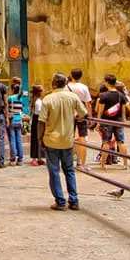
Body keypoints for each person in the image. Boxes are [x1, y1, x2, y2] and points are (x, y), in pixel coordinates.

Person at [39, 72, 87, 210]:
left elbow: (41, 121)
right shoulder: (73, 97)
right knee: (69, 170)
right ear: (66, 84)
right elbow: (84, 114)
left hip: (51, 140)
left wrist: (39, 138)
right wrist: (73, 118)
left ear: (53, 84)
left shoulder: (48, 99)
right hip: (67, 139)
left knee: (54, 171)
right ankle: (74, 200)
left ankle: (60, 201)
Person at [94, 76, 129, 169]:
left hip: (106, 121)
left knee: (106, 142)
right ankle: (125, 164)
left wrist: (98, 122)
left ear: (107, 83)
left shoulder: (103, 95)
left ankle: (103, 164)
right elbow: (123, 111)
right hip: (118, 121)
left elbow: (100, 111)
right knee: (121, 142)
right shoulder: (121, 95)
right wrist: (123, 121)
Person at [66, 68, 92, 167]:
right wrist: (89, 116)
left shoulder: (66, 87)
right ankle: (81, 162)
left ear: (71, 75)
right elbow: (88, 103)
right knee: (82, 138)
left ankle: (68, 161)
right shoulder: (84, 87)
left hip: (69, 114)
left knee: (69, 137)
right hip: (81, 114)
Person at [6, 78, 26, 166]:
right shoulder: (21, 98)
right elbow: (21, 109)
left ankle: (13, 158)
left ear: (13, 89)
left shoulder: (10, 98)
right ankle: (20, 159)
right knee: (19, 140)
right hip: (19, 121)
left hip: (12, 120)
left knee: (13, 140)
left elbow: (7, 108)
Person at [29, 84, 46, 166]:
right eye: (42, 90)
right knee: (36, 140)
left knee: (38, 140)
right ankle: (34, 158)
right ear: (39, 92)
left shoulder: (36, 100)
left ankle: (39, 158)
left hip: (36, 120)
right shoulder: (38, 102)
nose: (44, 91)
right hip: (37, 121)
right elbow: (39, 113)